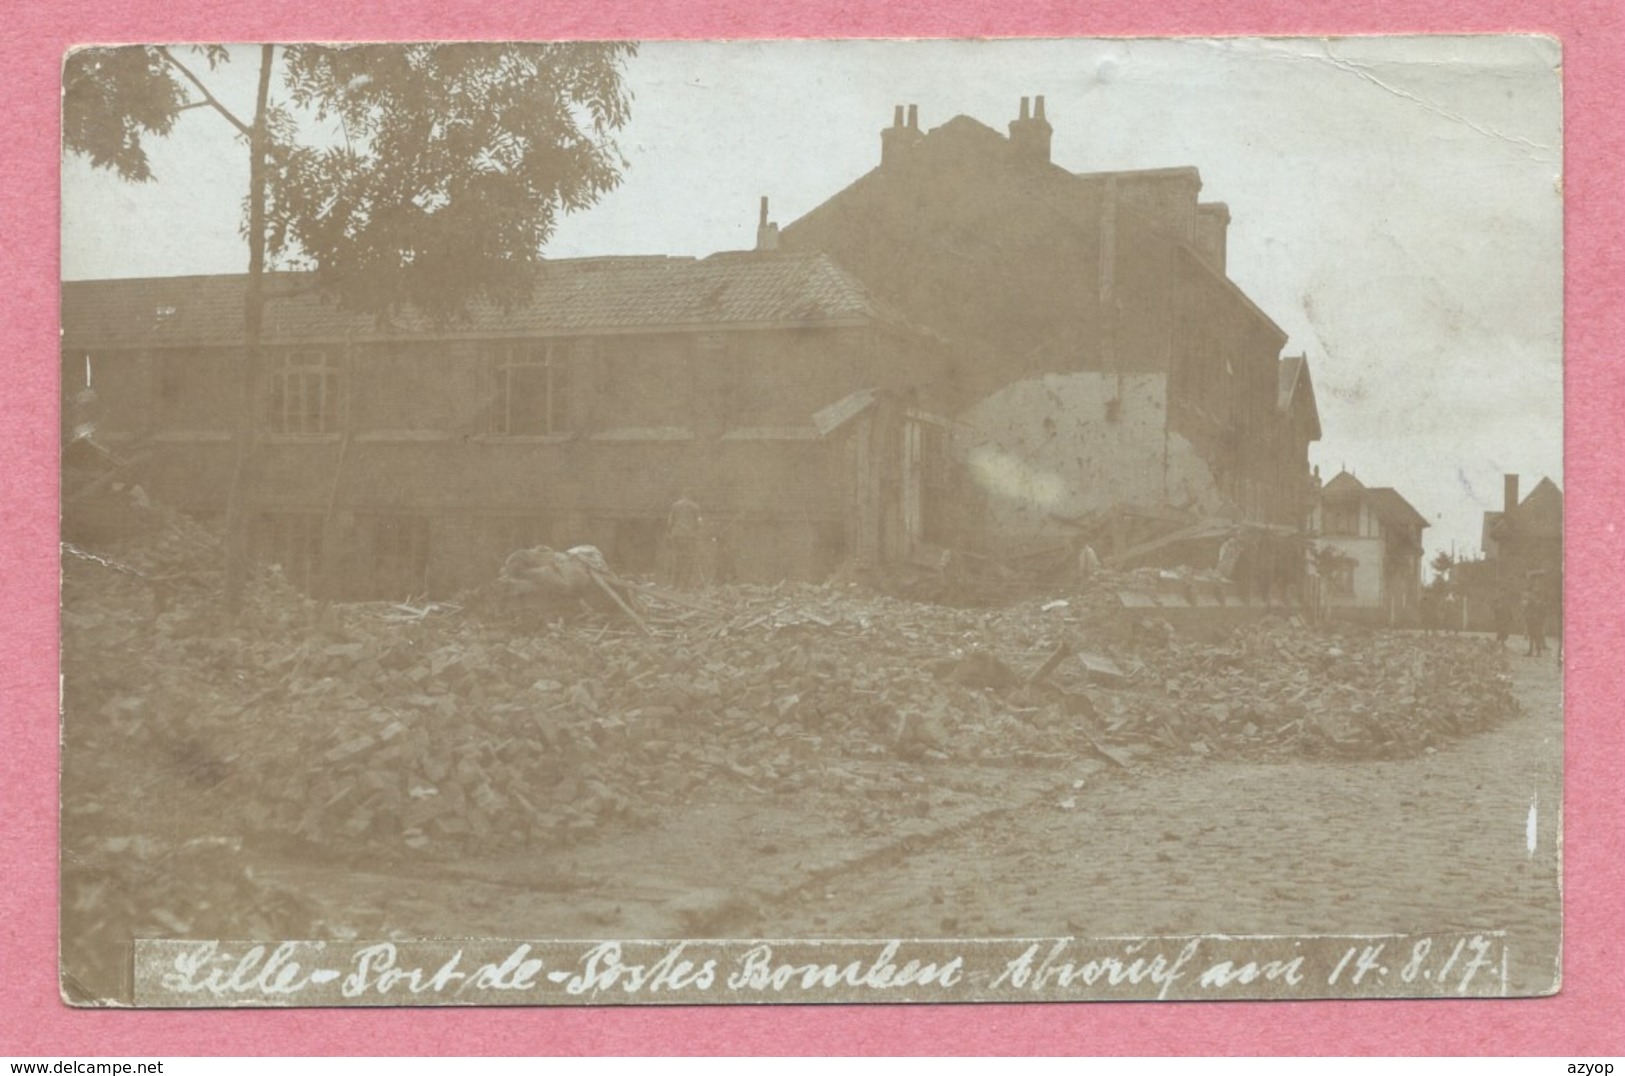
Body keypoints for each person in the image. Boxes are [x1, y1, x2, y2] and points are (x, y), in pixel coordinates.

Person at [666, 491, 704, 589]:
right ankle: (686, 586)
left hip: (676, 535)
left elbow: (670, 522)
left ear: (682, 495)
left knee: (677, 559)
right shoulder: (695, 507)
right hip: (689, 536)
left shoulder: (674, 506)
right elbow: (699, 523)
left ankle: (673, 585)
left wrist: (671, 533)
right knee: (688, 560)